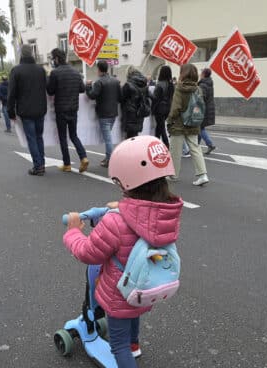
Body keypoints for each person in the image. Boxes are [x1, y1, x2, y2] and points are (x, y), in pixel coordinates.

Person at [63, 136, 183, 368]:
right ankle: (134, 346)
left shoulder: (114, 223)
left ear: (125, 181)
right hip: (144, 287)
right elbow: (144, 216)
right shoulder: (166, 213)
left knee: (117, 345)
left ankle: (128, 354)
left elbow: (89, 254)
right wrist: (123, 207)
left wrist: (73, 233)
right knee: (133, 314)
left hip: (120, 293)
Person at [47, 48, 89, 173]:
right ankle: (83, 157)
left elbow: (50, 91)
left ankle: (67, 164)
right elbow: (82, 89)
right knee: (73, 135)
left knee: (63, 137)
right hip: (73, 109)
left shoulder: (55, 73)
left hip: (61, 109)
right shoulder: (76, 72)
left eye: (52, 58)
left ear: (56, 59)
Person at [167, 63, 209, 186]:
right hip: (194, 122)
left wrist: (169, 120)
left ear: (182, 74)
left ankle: (173, 175)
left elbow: (175, 108)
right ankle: (202, 175)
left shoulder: (179, 88)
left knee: (175, 150)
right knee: (195, 148)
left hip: (178, 124)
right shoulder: (198, 89)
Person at [8, 46, 47, 176]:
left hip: (26, 110)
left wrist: (11, 112)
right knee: (39, 137)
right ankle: (42, 163)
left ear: (21, 55)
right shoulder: (41, 70)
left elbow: (11, 93)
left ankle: (38, 166)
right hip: (41, 109)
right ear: (32, 54)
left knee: (32, 139)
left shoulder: (16, 70)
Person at [85, 60, 121, 168]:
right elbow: (120, 97)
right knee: (108, 137)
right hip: (113, 113)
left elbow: (92, 95)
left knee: (108, 139)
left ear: (99, 70)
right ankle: (107, 157)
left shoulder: (99, 82)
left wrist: (88, 86)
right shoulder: (115, 81)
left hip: (104, 114)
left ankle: (110, 159)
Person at [120, 67, 149, 139]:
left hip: (130, 113)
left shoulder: (128, 85)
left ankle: (131, 150)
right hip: (140, 112)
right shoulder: (144, 84)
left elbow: (121, 98)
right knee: (135, 135)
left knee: (130, 137)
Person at [151, 66, 174, 149]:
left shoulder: (160, 84)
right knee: (159, 127)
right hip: (167, 108)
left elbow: (155, 98)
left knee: (161, 127)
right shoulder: (171, 84)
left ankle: (166, 144)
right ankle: (156, 143)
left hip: (159, 109)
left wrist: (148, 93)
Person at [197, 68, 216, 154]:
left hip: (203, 110)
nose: (200, 74)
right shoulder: (208, 83)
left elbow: (201, 98)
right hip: (208, 108)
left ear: (204, 74)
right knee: (200, 127)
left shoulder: (203, 85)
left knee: (200, 128)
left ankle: (210, 144)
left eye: (201, 73)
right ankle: (196, 146)